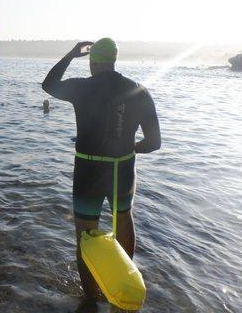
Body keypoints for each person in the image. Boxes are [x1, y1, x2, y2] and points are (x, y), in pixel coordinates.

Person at [41, 38, 161, 299]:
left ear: (93, 61)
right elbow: (154, 143)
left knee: (86, 235)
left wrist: (72, 54)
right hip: (123, 171)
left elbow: (48, 84)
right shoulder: (138, 90)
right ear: (114, 59)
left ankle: (91, 297)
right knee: (124, 220)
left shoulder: (82, 88)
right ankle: (123, 286)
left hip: (88, 172)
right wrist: (131, 150)